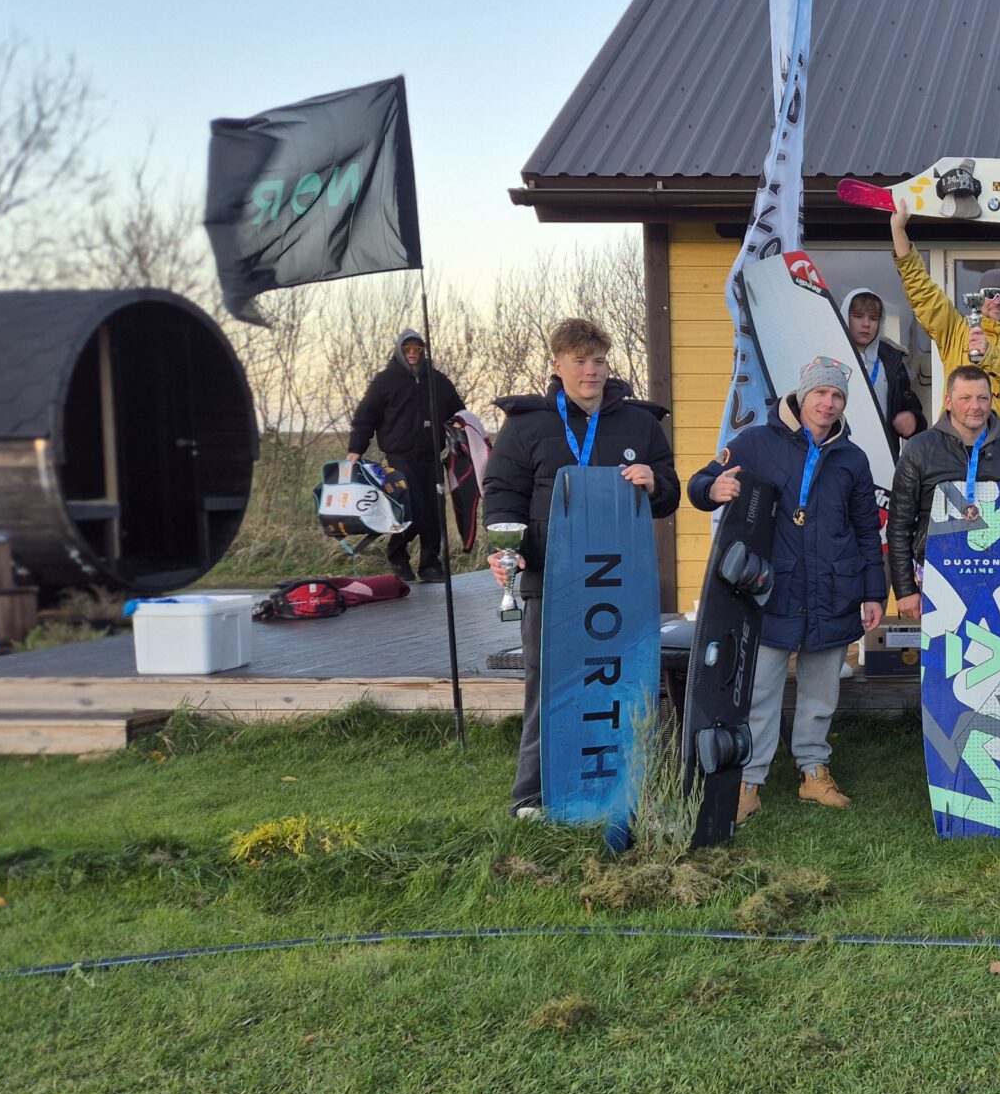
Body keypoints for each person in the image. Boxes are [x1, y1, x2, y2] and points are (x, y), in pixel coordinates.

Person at [482, 318, 678, 821]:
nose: (590, 371)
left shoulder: (641, 424)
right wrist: (506, 549)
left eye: (598, 361)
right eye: (579, 361)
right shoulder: (527, 424)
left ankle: (629, 787)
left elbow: (670, 495)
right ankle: (532, 793)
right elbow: (503, 493)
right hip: (552, 578)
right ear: (557, 364)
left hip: (620, 582)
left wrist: (654, 481)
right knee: (548, 683)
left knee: (623, 683)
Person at [688, 356, 887, 821]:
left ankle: (813, 771)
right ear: (801, 395)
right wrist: (711, 490)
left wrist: (873, 592)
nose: (828, 402)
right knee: (760, 689)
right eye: (821, 392)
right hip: (772, 590)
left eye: (837, 396)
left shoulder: (852, 459)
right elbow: (701, 481)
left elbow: (864, 529)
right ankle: (749, 782)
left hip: (833, 591)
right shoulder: (757, 441)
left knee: (821, 691)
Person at [888, 364, 1000, 616]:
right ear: (949, 401)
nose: (976, 406)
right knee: (943, 653)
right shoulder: (919, 449)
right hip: (937, 574)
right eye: (965, 398)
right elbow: (899, 524)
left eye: (983, 398)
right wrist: (905, 589)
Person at [891, 209, 1000, 443]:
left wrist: (990, 356)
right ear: (978, 297)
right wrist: (898, 231)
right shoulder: (957, 330)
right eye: (990, 293)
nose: (997, 300)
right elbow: (923, 293)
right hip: (957, 446)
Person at [346, 329, 466, 583]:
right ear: (400, 351)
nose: (412, 354)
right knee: (412, 509)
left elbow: (458, 412)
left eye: (417, 349)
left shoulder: (438, 381)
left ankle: (429, 565)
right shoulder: (385, 381)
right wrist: (356, 449)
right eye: (408, 349)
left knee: (434, 510)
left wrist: (462, 429)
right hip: (399, 456)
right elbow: (365, 417)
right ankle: (397, 554)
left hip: (431, 455)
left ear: (423, 351)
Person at [838, 285, 929, 457]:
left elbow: (914, 411)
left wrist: (912, 419)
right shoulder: (831, 359)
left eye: (873, 318)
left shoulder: (892, 362)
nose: (866, 324)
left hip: (883, 458)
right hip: (839, 456)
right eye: (858, 316)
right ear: (845, 317)